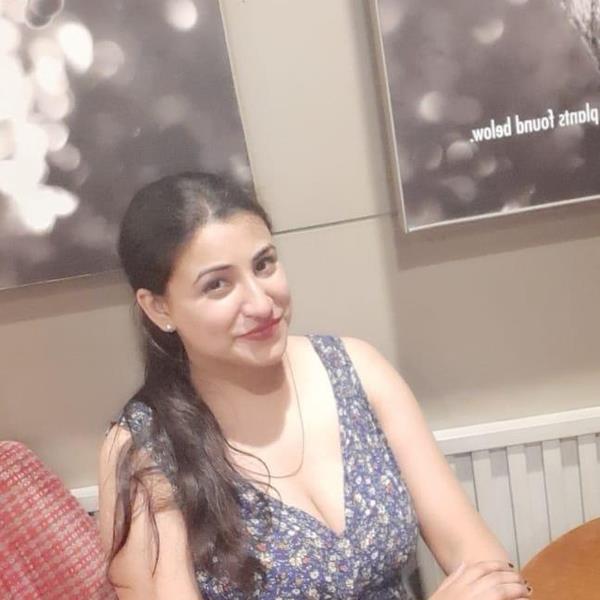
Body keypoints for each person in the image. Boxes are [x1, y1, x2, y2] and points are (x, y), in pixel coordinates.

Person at [98, 172, 532, 599]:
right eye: (217, 285)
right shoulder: (143, 450)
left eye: (264, 264)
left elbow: (477, 559)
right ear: (158, 308)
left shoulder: (356, 369)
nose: (261, 303)